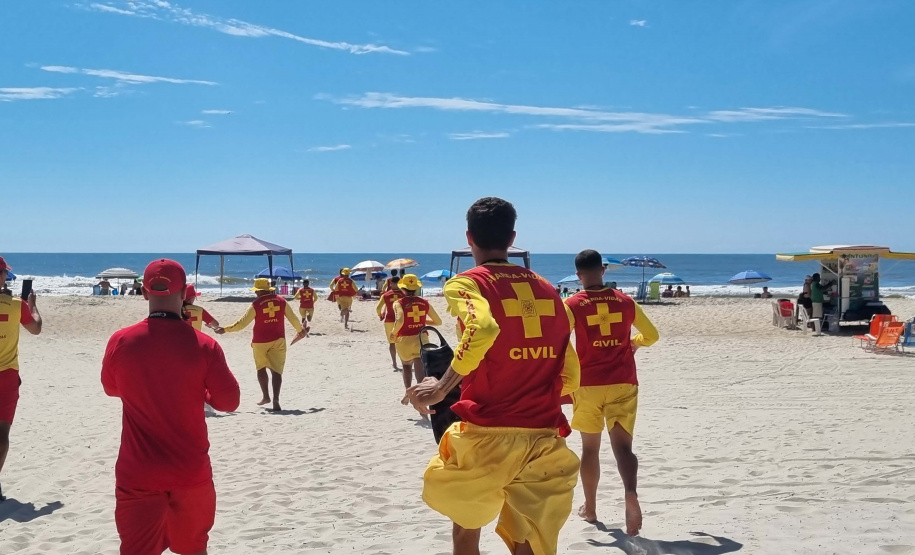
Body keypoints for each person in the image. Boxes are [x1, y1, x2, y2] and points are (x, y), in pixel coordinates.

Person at [406, 197, 581, 555]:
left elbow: (482, 329)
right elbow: (571, 373)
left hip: (487, 432)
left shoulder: (467, 284)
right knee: (527, 538)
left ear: (469, 237)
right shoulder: (550, 290)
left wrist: (440, 388)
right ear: (512, 238)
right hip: (543, 433)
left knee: (466, 529)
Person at [101, 259, 240, 554]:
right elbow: (229, 402)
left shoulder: (121, 341)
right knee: (193, 549)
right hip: (189, 471)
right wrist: (200, 392)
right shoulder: (205, 345)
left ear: (144, 293)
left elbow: (111, 388)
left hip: (138, 471)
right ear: (185, 293)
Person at [565, 250, 659, 535]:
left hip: (587, 384)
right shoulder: (626, 302)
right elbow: (652, 335)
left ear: (579, 276)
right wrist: (635, 342)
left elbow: (559, 341)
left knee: (590, 449)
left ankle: (591, 507)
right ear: (603, 271)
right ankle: (630, 492)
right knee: (623, 448)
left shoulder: (572, 304)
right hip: (623, 381)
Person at [216, 278, 307, 411]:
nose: (255, 293)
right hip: (278, 340)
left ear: (258, 291)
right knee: (277, 371)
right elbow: (293, 318)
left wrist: (225, 329)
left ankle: (266, 396)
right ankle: (276, 399)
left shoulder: (256, 304)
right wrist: (301, 330)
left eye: (256, 291)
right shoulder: (281, 301)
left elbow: (241, 324)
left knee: (261, 369)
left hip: (260, 342)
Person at [0, 256, 42, 502]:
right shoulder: (17, 305)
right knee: (2, 432)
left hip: (8, 375)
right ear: (3, 276)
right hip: (6, 375)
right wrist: (32, 305)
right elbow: (35, 328)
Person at [392, 274, 442, 399]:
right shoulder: (424, 302)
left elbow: (400, 319)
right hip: (421, 338)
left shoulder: (398, 303)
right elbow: (438, 322)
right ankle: (420, 395)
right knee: (420, 367)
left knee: (406, 366)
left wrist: (393, 332)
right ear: (416, 289)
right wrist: (423, 321)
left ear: (402, 289)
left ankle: (408, 391)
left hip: (404, 339)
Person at [376, 276, 404, 370]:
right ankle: (404, 362)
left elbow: (378, 308)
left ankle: (394, 363)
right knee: (402, 342)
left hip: (389, 320)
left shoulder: (386, 295)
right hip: (401, 320)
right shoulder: (403, 294)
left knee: (392, 343)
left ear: (391, 284)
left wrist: (380, 315)